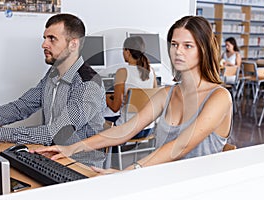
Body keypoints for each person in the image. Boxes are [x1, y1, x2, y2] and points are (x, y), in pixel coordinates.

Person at [34, 15, 233, 174]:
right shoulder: (167, 93)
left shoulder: (219, 96)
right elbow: (125, 130)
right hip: (161, 180)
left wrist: (130, 172)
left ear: (203, 50)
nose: (178, 52)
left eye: (187, 46)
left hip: (197, 187)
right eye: (174, 44)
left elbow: (180, 146)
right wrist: (72, 148)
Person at [0, 13, 107, 168]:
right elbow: (22, 106)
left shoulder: (88, 84)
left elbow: (55, 133)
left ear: (73, 44)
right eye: (44, 38)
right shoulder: (53, 74)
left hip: (81, 165)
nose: (44, 44)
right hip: (50, 155)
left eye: (52, 39)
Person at [106, 36, 157, 138]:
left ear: (128, 51)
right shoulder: (151, 71)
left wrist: (105, 97)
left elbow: (115, 108)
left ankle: (107, 153)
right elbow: (155, 98)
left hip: (128, 130)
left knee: (100, 119)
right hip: (148, 129)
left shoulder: (122, 72)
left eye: (123, 50)